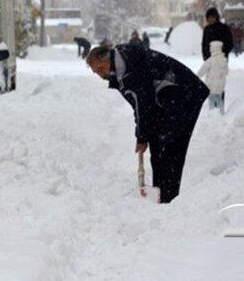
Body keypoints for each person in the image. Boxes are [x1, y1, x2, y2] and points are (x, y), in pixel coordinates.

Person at [86, 44, 209, 203]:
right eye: (96, 72)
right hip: (169, 99)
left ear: (107, 58)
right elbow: (138, 105)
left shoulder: (128, 68)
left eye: (100, 68)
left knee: (169, 145)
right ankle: (161, 193)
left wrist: (142, 137)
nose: (100, 75)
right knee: (158, 143)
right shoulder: (121, 67)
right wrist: (144, 134)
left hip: (185, 95)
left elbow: (143, 103)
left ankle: (167, 198)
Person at [197, 41, 228, 114]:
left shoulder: (210, 61)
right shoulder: (224, 60)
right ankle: (221, 113)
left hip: (211, 84)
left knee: (212, 100)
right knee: (219, 99)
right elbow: (226, 72)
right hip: (220, 84)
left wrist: (196, 76)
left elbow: (202, 70)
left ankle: (212, 114)